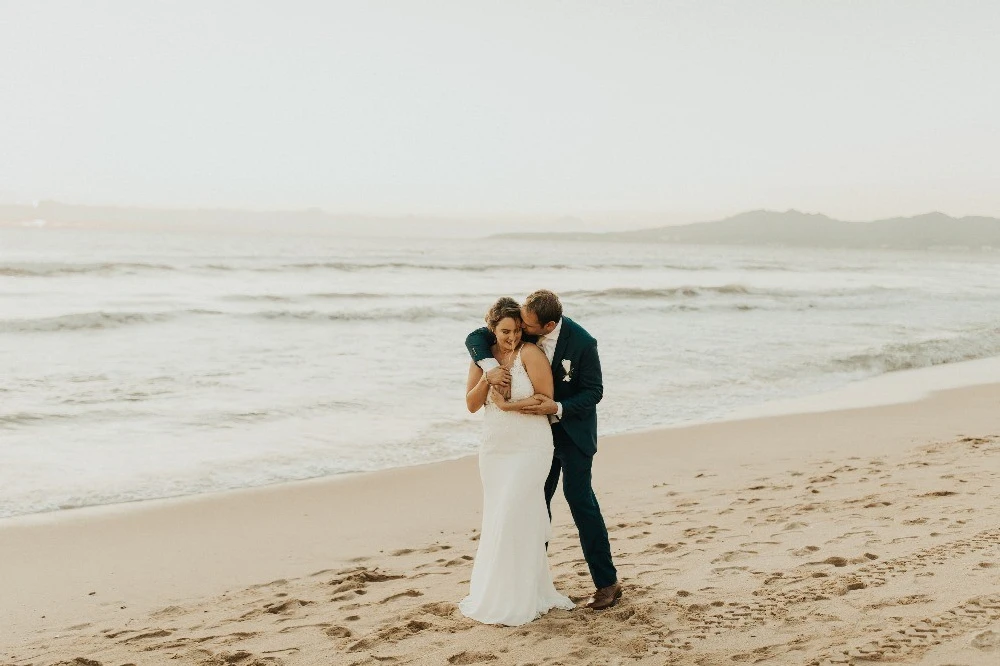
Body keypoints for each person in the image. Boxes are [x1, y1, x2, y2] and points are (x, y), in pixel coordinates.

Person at [465, 290, 621, 611]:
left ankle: (607, 584)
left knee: (581, 503)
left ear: (548, 326)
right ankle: (530, 581)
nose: (520, 330)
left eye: (527, 326)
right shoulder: (514, 328)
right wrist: (487, 364)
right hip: (531, 438)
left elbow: (595, 391)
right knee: (533, 506)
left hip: (571, 434)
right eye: (517, 323)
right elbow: (476, 335)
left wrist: (559, 406)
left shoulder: (582, 343)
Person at [459, 297, 575, 625]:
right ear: (492, 330)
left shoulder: (530, 353)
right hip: (496, 448)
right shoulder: (481, 359)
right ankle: (498, 591)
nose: (512, 337)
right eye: (505, 331)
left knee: (516, 512)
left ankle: (522, 595)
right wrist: (488, 376)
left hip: (530, 445)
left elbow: (546, 398)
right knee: (499, 517)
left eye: (517, 330)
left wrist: (509, 406)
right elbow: (471, 404)